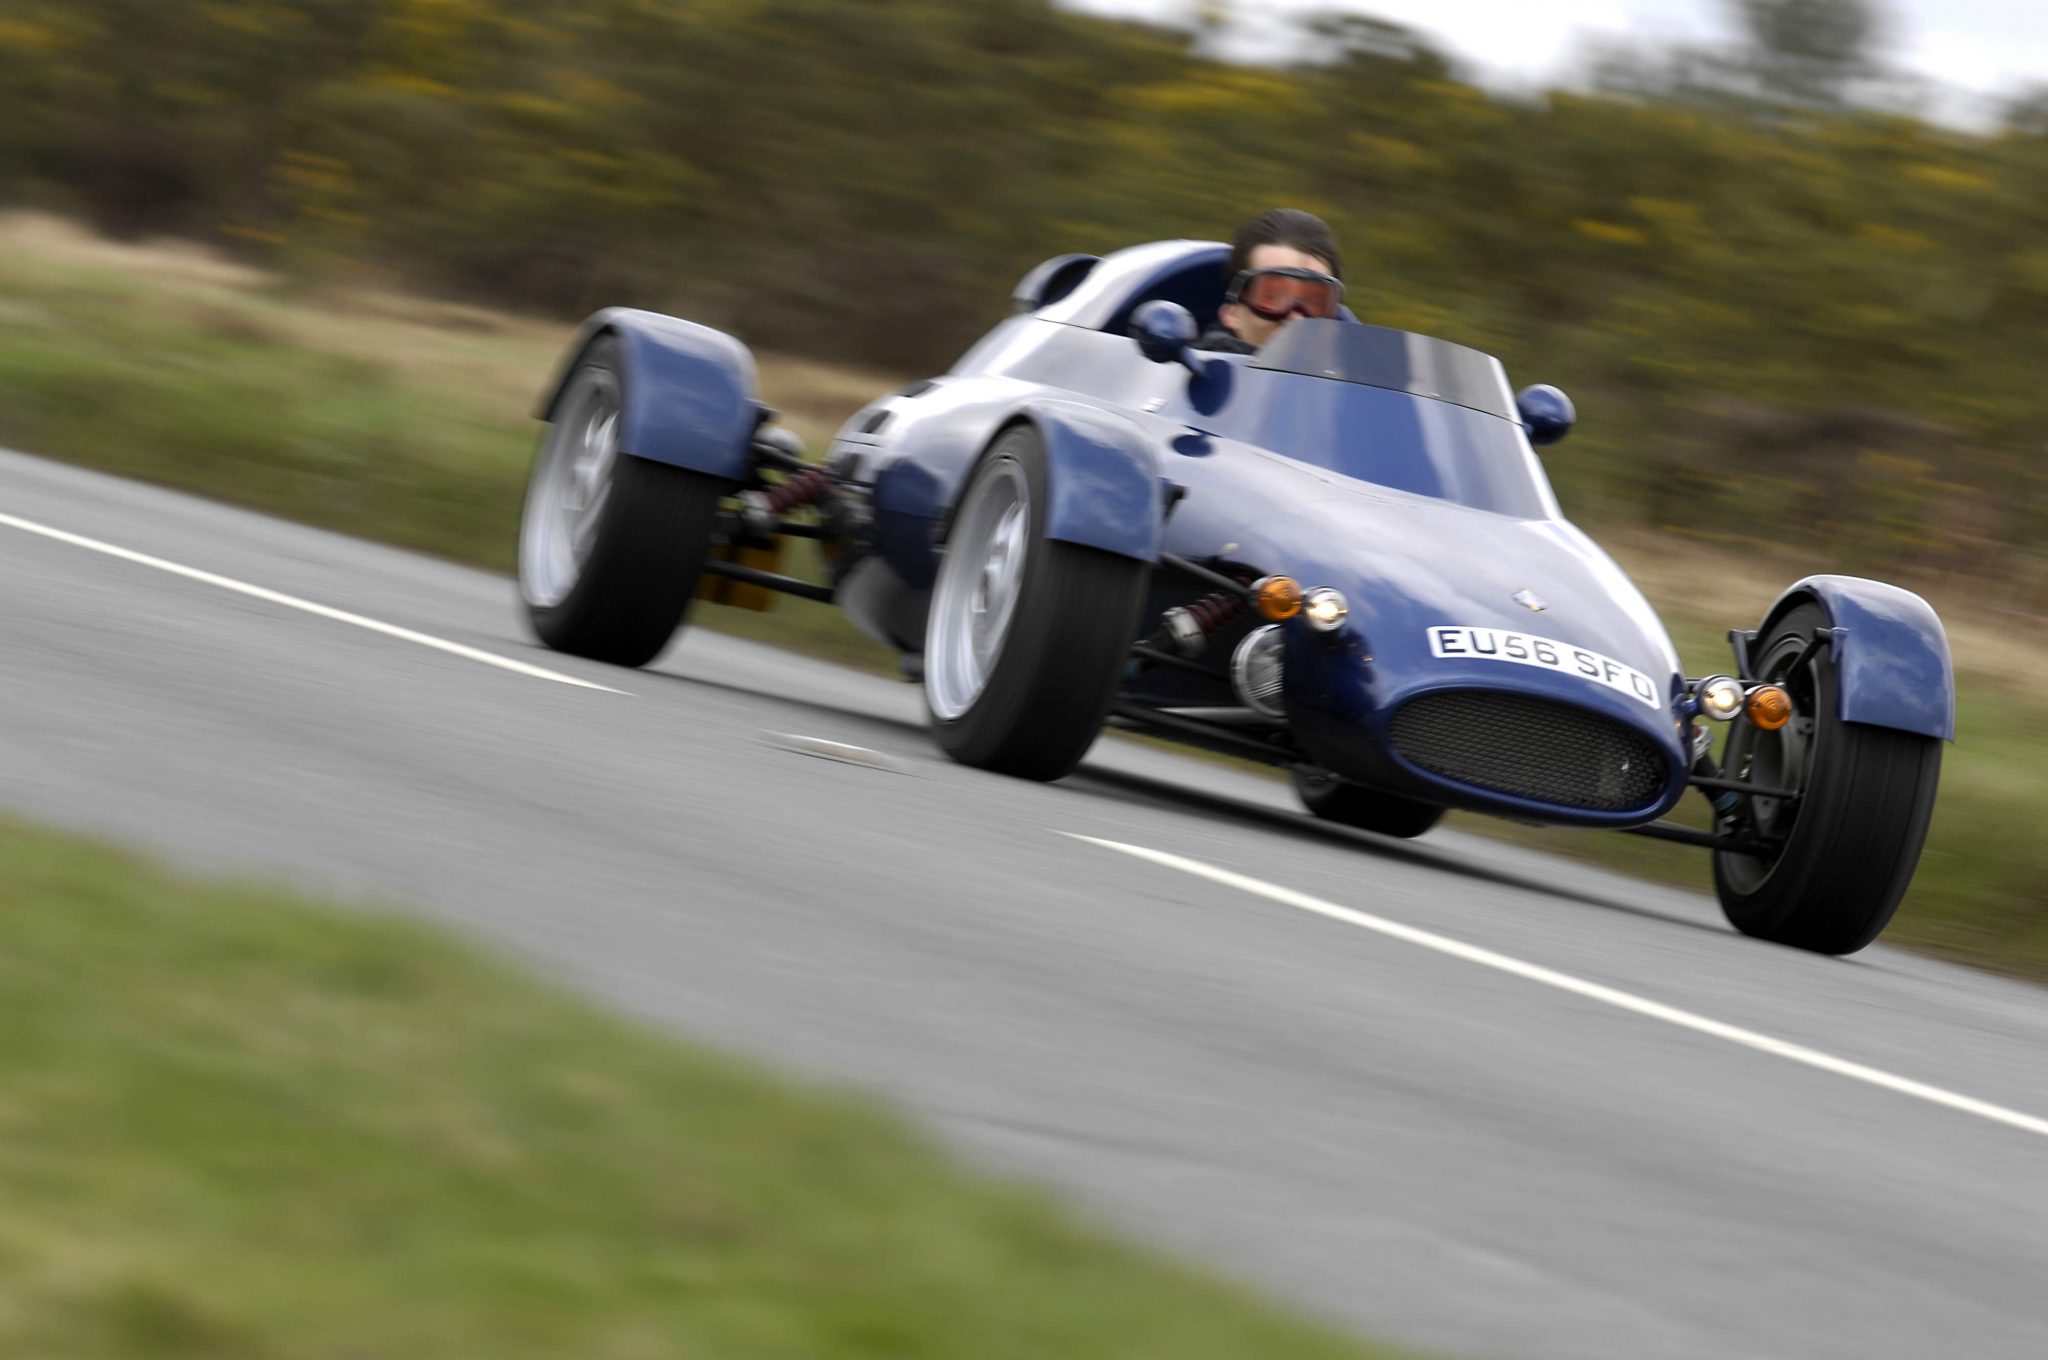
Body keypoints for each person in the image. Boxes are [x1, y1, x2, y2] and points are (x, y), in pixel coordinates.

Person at [1195, 208, 1346, 354]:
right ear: (1232, 313)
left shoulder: (1360, 376)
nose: (1296, 319)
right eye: (1272, 297)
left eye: (1314, 302)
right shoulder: (1187, 376)